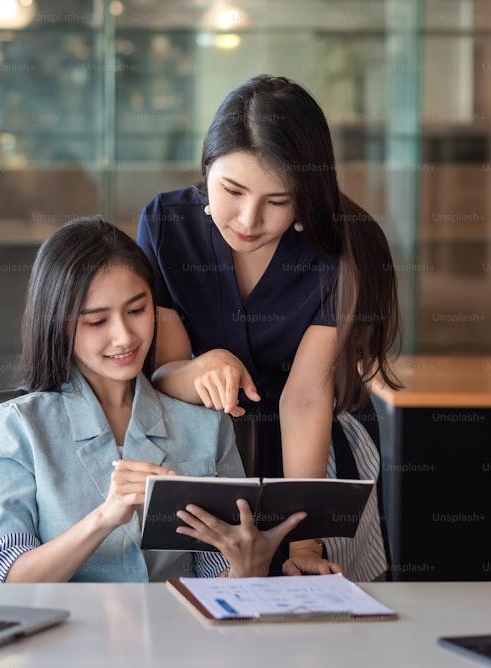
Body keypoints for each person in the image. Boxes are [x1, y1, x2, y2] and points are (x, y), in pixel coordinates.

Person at [137, 75, 402, 581]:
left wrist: (305, 544)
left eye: (278, 201)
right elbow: (163, 374)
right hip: (206, 445)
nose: (247, 219)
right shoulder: (167, 224)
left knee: (323, 618)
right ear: (206, 167)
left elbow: (305, 397)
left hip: (315, 450)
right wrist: (199, 368)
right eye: (231, 190)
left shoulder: (344, 245)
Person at [0, 217, 304, 583]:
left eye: (137, 311)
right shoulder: (19, 427)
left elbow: (215, 579)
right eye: (97, 322)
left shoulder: (206, 425)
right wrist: (106, 517)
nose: (124, 337)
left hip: (175, 635)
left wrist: (247, 567)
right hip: (67, 635)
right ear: (57, 324)